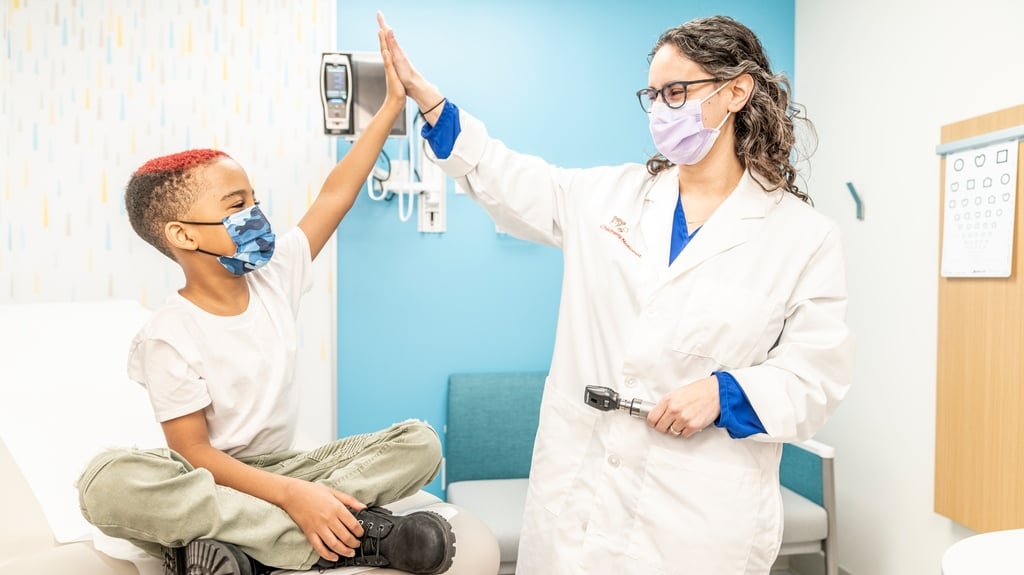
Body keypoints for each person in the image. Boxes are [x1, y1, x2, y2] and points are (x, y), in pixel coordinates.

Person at [379, 12, 855, 575]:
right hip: (577, 499)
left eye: (676, 92)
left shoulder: (802, 237)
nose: (661, 111)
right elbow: (508, 177)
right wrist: (432, 104)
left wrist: (724, 393)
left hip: (698, 518)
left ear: (736, 92)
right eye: (653, 96)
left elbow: (816, 376)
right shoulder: (609, 197)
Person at [76, 28, 457, 575]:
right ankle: (350, 538)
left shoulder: (276, 275)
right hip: (213, 478)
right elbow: (195, 455)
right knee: (105, 484)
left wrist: (393, 106)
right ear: (184, 235)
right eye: (237, 205)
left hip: (293, 467)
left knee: (420, 444)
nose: (255, 214)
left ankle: (242, 546)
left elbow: (336, 193)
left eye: (255, 200)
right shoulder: (168, 335)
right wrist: (291, 498)